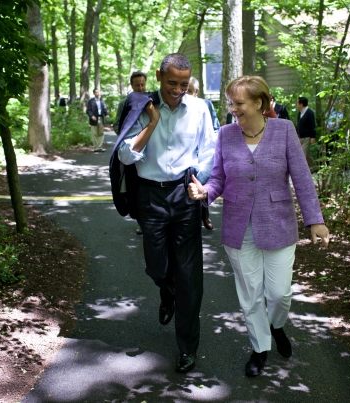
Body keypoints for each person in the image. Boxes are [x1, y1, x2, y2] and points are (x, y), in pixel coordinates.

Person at [187, 76, 329, 377]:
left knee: (279, 294)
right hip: (239, 227)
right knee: (250, 294)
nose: (233, 109)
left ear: (259, 103)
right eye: (230, 103)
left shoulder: (284, 130)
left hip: (278, 223)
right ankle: (260, 347)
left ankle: (276, 326)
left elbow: (302, 179)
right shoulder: (225, 134)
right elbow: (219, 178)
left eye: (238, 103)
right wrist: (205, 193)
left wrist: (315, 220)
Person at [118, 53, 216, 373]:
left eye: (184, 84)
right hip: (150, 196)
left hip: (185, 194)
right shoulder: (141, 107)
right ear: (159, 77)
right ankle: (166, 288)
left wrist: (199, 180)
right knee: (157, 266)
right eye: (172, 83)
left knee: (190, 277)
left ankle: (188, 347)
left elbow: (210, 151)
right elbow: (125, 154)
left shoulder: (200, 109)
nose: (177, 90)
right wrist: (154, 122)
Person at [114, 71, 148, 235]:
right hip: (131, 155)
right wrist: (130, 136)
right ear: (132, 86)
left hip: (149, 155)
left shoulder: (151, 101)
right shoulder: (125, 103)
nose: (140, 88)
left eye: (143, 84)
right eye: (137, 85)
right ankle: (140, 221)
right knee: (133, 190)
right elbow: (117, 126)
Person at [187, 77, 217, 231]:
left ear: (197, 92)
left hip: (204, 155)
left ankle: (205, 215)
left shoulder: (206, 105)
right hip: (188, 158)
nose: (187, 94)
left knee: (204, 186)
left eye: (190, 91)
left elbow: (216, 128)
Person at [296, 96, 316, 168]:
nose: (296, 104)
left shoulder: (310, 113)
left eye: (297, 103)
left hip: (307, 137)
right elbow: (299, 125)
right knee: (307, 155)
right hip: (300, 137)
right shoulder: (300, 113)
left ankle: (302, 172)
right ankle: (315, 167)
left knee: (302, 155)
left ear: (301, 104)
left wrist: (313, 136)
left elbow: (312, 125)